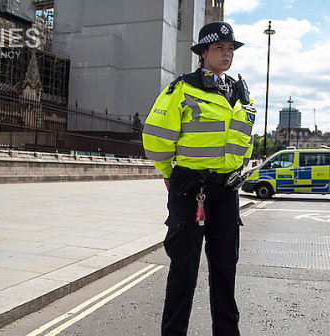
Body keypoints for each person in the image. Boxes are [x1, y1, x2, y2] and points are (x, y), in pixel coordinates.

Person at [142, 21, 256, 336]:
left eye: (230, 48)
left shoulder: (239, 92)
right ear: (203, 52)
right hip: (190, 190)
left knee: (224, 273)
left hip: (226, 194)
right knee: (183, 273)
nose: (227, 54)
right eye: (219, 48)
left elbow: (243, 142)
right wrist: (168, 173)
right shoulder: (182, 88)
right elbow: (155, 137)